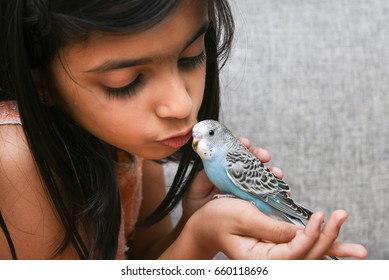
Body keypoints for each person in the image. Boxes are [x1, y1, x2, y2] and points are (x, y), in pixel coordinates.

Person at [0, 0, 367, 260]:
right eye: (125, 82)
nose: (181, 106)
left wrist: (196, 218)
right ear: (40, 82)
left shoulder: (134, 144)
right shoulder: (16, 157)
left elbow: (145, 261)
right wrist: (198, 241)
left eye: (191, 56)